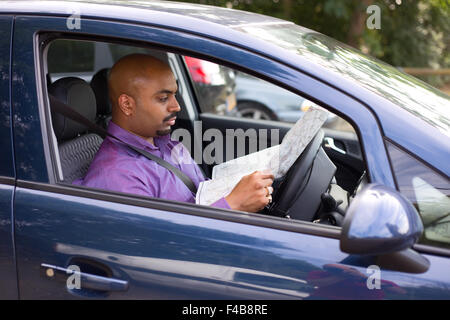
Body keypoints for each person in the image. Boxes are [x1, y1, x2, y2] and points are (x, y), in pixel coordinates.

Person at [74, 54, 274, 212]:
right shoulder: (117, 177)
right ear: (127, 104)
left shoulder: (166, 143)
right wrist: (233, 204)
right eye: (163, 98)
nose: (177, 106)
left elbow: (201, 196)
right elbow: (158, 251)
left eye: (175, 95)